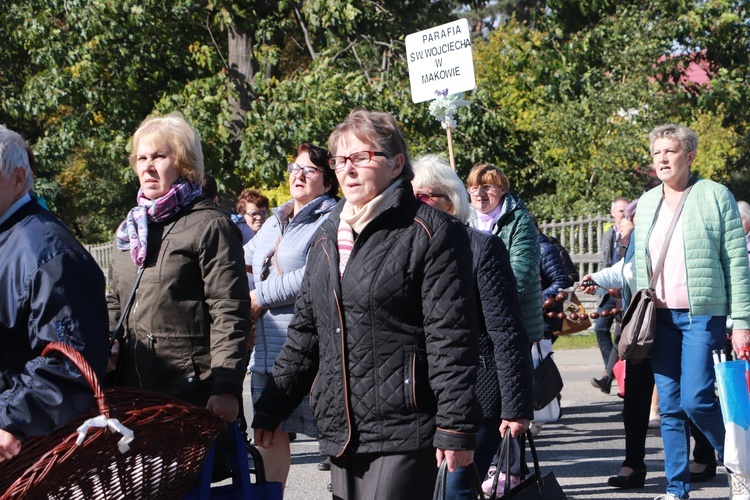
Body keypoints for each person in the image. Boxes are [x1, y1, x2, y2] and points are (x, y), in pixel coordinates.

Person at [252, 110, 482, 500]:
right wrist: (274, 406)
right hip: (343, 426)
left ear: (395, 164)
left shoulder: (430, 232)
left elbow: (451, 337)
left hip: (406, 425)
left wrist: (456, 427)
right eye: (341, 161)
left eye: (361, 158)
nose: (348, 170)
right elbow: (308, 331)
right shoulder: (329, 233)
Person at [107, 112, 251, 432]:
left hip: (188, 395)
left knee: (185, 484)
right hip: (130, 395)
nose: (147, 165)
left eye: (159, 156)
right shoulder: (130, 230)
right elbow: (114, 302)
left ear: (184, 163)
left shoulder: (210, 225)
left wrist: (226, 385)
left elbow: (230, 311)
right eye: (141, 157)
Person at [635, 124, 750, 500]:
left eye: (670, 151)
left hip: (703, 314)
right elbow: (640, 262)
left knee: (696, 399)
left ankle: (741, 462)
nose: (663, 159)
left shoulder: (716, 195)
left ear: (690, 156)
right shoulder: (648, 202)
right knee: (669, 406)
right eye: (657, 153)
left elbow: (737, 261)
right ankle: (676, 488)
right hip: (661, 318)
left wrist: (742, 322)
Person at [412, 154, 533, 498]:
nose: (413, 206)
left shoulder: (482, 249)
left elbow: (507, 332)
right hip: (420, 397)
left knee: (455, 488)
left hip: (477, 395)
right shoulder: (403, 252)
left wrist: (516, 408)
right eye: (410, 197)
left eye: (422, 197)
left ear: (450, 203)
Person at [0, 125, 109, 461]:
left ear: (19, 179)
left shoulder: (48, 252)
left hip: (23, 451)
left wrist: (10, 419)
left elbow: (70, 364)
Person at [244, 142, 338, 489]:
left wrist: (259, 296)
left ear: (327, 182)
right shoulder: (274, 220)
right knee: (268, 435)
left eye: (309, 170)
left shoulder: (332, 218)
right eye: (293, 168)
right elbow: (242, 257)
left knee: (333, 437)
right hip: (267, 354)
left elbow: (315, 272)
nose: (298, 174)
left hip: (312, 354)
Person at [466, 164, 543, 344]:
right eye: (474, 188)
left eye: (486, 187)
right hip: (475, 324)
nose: (479, 194)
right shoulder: (462, 218)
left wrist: (486, 305)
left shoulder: (520, 221)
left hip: (515, 321)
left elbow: (521, 273)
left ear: (502, 189)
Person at [590, 196, 629, 394]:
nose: (622, 214)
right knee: (599, 328)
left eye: (625, 210)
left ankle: (611, 375)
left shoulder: (631, 233)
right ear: (612, 213)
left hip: (623, 290)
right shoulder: (608, 235)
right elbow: (604, 263)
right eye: (619, 210)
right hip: (607, 290)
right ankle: (611, 370)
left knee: (621, 335)